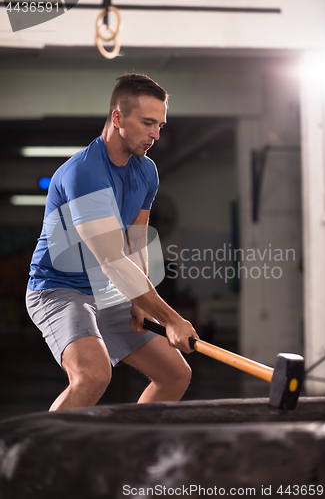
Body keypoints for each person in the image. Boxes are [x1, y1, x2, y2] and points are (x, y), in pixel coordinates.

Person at [26, 73, 199, 411]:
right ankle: (38, 458)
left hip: (106, 289)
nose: (155, 134)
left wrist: (141, 302)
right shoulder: (85, 172)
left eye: (160, 125)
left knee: (175, 374)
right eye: (148, 123)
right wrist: (169, 319)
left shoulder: (147, 171)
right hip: (59, 289)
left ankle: (132, 453)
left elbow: (136, 242)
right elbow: (112, 259)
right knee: (92, 376)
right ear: (118, 118)